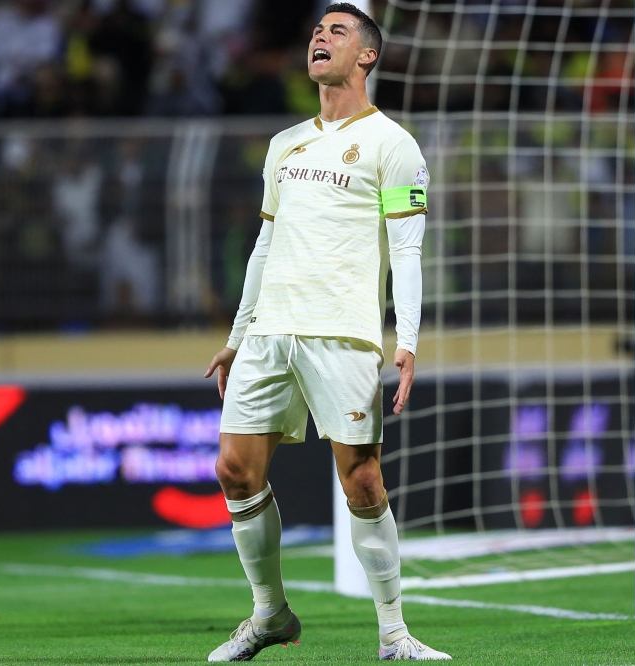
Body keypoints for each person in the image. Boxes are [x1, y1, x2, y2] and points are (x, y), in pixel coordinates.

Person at [203, 3, 450, 662]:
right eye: (317, 29)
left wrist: (407, 339)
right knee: (233, 469)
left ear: (367, 55)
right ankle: (270, 614)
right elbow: (264, 245)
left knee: (362, 481)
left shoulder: (393, 145)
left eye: (337, 31)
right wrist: (238, 335)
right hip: (269, 331)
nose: (320, 36)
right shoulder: (284, 144)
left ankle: (394, 633)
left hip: (342, 333)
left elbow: (408, 250)